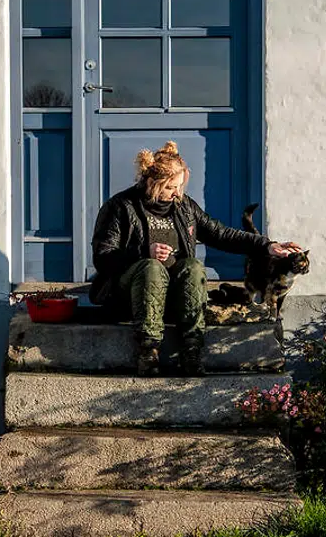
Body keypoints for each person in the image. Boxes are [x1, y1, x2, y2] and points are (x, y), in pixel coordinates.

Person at [88, 141, 303, 376]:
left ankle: (191, 351)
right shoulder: (120, 207)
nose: (177, 193)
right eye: (171, 187)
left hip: (175, 298)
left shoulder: (185, 207)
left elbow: (221, 234)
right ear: (152, 183)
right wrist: (143, 252)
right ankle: (148, 351)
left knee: (192, 266)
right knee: (151, 267)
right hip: (130, 298)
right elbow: (103, 257)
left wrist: (267, 246)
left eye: (180, 186)